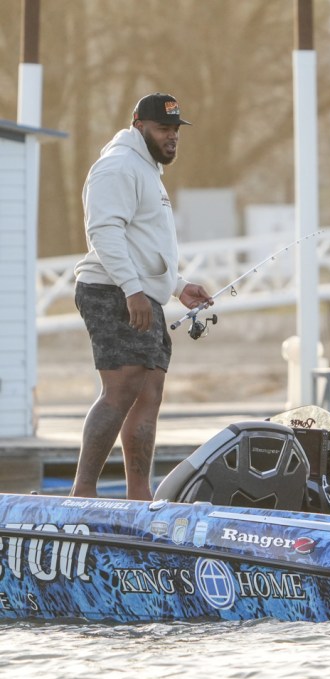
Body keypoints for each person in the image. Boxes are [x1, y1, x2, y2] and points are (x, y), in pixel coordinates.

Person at [71, 93, 213, 500]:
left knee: (149, 392)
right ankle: (82, 495)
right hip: (111, 290)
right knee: (121, 389)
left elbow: (145, 242)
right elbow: (104, 232)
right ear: (139, 127)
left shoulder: (147, 170)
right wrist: (132, 289)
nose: (172, 137)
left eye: (175, 130)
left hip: (140, 292)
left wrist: (177, 285)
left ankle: (139, 497)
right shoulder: (118, 166)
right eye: (163, 129)